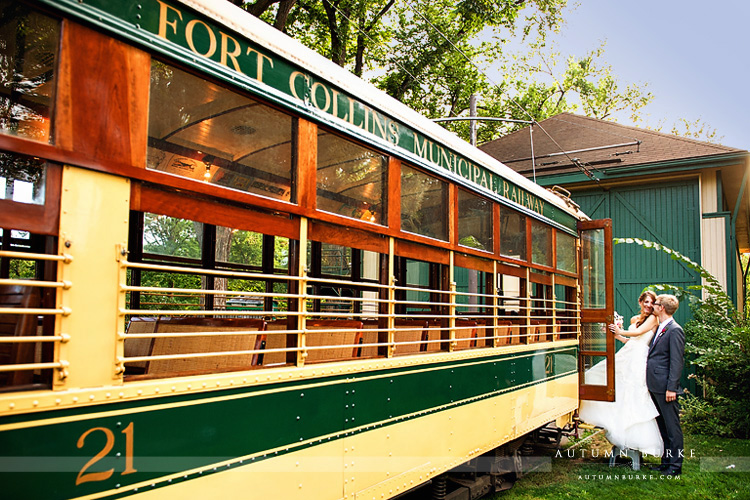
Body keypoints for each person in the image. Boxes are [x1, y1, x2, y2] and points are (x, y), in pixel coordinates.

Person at [578, 291, 663, 458]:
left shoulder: (654, 319)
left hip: (638, 358)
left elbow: (639, 334)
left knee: (634, 391)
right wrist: (618, 335)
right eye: (645, 302)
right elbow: (631, 340)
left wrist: (620, 329)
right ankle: (615, 422)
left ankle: (634, 434)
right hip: (627, 353)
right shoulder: (634, 320)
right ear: (640, 302)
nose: (648, 305)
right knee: (601, 377)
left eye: (651, 303)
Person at [645, 294, 685, 476]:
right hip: (655, 385)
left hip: (665, 387)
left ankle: (675, 466)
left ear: (662, 308)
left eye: (656, 303)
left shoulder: (675, 330)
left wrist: (671, 388)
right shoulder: (661, 327)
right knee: (663, 427)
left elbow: (676, 362)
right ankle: (666, 461)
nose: (653, 305)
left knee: (672, 428)